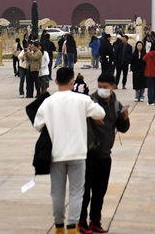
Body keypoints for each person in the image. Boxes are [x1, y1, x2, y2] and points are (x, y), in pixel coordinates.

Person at [32, 66, 106, 234]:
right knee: (77, 191)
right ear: (72, 81)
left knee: (57, 192)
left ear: (56, 81)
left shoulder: (48, 102)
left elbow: (37, 125)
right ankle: (72, 226)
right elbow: (100, 112)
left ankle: (59, 226)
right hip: (78, 152)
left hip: (56, 153)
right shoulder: (82, 100)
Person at [79, 72, 130, 234]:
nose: (101, 90)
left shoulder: (116, 105)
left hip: (105, 156)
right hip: (88, 155)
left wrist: (124, 119)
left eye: (105, 87)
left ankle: (95, 221)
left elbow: (123, 129)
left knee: (100, 192)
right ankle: (81, 222)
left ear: (113, 87)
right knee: (85, 192)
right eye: (99, 86)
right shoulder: (89, 102)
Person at [141, 40, 155, 105]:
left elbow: (144, 59)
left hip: (150, 73)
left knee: (150, 87)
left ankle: (151, 101)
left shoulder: (148, 54)